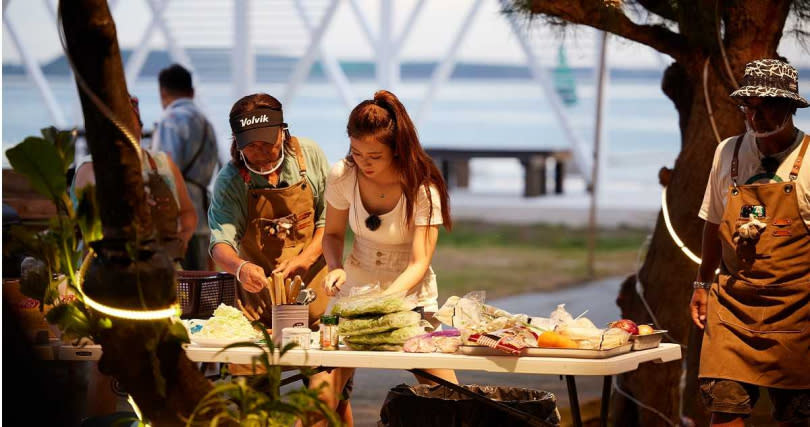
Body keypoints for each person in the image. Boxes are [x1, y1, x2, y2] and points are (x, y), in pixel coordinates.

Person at [207, 93, 351, 425]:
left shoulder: (308, 156)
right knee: (254, 406)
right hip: (258, 310)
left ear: (283, 133)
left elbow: (328, 222)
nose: (259, 154)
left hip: (315, 302)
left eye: (267, 144)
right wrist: (241, 268)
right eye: (250, 147)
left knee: (327, 401)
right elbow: (220, 244)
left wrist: (306, 258)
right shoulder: (231, 181)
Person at [690, 58, 810, 426]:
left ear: (790, 107)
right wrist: (702, 283)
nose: (754, 117)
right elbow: (713, 223)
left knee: (797, 416)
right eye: (748, 107)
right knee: (724, 407)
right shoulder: (727, 152)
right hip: (733, 308)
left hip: (798, 311)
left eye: (766, 106)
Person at [322, 90, 458, 385]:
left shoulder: (422, 187)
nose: (364, 163)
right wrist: (334, 266)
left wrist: (383, 303)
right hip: (355, 289)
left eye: (374, 156)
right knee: (322, 390)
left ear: (396, 148)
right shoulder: (343, 175)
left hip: (409, 295)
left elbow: (419, 263)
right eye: (356, 153)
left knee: (446, 392)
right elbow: (332, 234)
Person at [73, 95, 198, 262]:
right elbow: (95, 214)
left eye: (129, 124)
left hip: (165, 271)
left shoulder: (163, 163)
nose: (124, 132)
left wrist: (182, 238)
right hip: (107, 272)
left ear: (139, 127)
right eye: (116, 126)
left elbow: (188, 212)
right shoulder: (90, 169)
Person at [155, 63, 219, 271]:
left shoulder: (171, 120)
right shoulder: (206, 122)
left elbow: (163, 170)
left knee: (181, 284)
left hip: (180, 216)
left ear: (163, 92)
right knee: (201, 282)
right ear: (191, 92)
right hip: (203, 211)